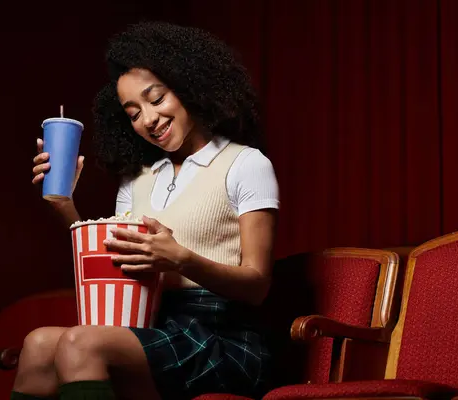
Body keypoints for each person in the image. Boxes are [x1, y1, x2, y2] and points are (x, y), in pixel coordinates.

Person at [16, 21, 280, 400]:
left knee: (80, 342)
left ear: (189, 86)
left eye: (156, 99)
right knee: (38, 344)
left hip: (224, 339)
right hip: (152, 325)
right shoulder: (137, 180)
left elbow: (257, 286)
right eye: (134, 112)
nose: (149, 119)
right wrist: (64, 205)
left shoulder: (245, 164)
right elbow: (112, 265)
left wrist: (180, 260)